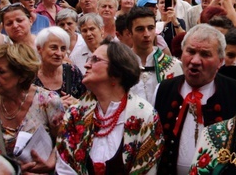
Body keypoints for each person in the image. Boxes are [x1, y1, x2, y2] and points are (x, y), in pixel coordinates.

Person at [56, 39, 164, 174]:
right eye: (89, 59)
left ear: (116, 73)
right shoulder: (75, 113)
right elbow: (65, 167)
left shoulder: (144, 116)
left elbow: (147, 169)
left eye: (95, 59)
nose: (86, 65)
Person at [154, 24, 236, 175]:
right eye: (190, 51)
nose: (195, 60)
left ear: (220, 61)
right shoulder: (163, 89)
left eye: (205, 54)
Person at [0, 44, 64, 173]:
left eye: (1, 72)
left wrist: (51, 162)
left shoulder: (48, 101)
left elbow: (63, 139)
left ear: (22, 75)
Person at [127, 6, 182, 104]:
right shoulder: (119, 67)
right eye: (140, 29)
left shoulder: (174, 66)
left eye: (150, 28)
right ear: (130, 33)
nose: (147, 34)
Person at [34, 27, 86, 108]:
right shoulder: (29, 76)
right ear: (39, 48)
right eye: (54, 47)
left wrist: (76, 103)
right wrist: (53, 106)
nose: (59, 53)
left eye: (63, 49)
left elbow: (88, 105)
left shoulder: (72, 72)